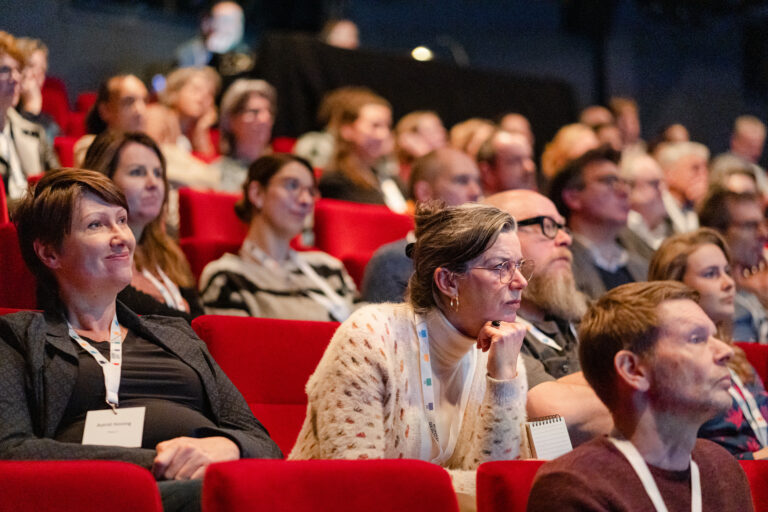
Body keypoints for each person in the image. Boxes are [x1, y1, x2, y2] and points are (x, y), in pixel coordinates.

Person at [2, 168, 281, 512]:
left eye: (122, 220)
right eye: (96, 225)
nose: (122, 236)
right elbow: (12, 450)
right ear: (49, 254)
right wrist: (158, 461)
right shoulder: (18, 338)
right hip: (118, 496)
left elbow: (263, 443)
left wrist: (227, 447)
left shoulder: (177, 336)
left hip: (215, 479)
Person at [290, 202, 530, 506]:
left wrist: (503, 383)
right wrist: (455, 486)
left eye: (520, 266)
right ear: (448, 282)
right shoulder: (370, 339)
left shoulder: (504, 353)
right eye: (501, 267)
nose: (520, 282)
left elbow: (497, 493)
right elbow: (356, 489)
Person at [527, 281, 753, 512]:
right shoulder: (572, 488)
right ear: (633, 369)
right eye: (696, 339)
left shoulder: (722, 467)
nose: (726, 352)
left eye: (714, 336)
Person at [484, 189, 612, 445]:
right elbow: (555, 421)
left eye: (563, 228)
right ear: (495, 242)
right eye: (548, 226)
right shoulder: (487, 328)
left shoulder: (586, 311)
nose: (565, 239)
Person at [649, 228, 768, 459]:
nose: (728, 283)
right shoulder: (677, 366)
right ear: (677, 286)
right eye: (711, 274)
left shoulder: (736, 354)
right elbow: (692, 460)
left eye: (726, 271)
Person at [199, 154, 358, 321]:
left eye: (311, 192)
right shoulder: (228, 277)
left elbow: (370, 330)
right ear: (257, 194)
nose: (306, 200)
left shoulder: (329, 269)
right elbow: (240, 346)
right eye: (292, 185)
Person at [83, 131, 204, 321]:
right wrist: (183, 319)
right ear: (104, 180)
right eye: (137, 172)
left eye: (158, 173)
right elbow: (122, 304)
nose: (153, 183)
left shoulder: (169, 254)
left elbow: (200, 323)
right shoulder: (92, 251)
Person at [361, 147, 482, 303]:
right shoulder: (391, 262)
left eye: (478, 182)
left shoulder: (484, 257)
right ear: (425, 193)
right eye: (461, 181)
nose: (476, 191)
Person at [548, 145, 648, 299]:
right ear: (573, 197)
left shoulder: (644, 263)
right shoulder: (558, 264)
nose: (624, 191)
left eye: (625, 183)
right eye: (609, 181)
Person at [699, 187, 768, 343]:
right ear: (717, 232)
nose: (764, 234)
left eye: (763, 224)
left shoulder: (756, 285)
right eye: (750, 226)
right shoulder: (710, 299)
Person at [318, 88, 405, 211]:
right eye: (375, 126)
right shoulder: (335, 182)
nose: (384, 134)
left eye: (388, 126)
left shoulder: (386, 177)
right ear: (347, 129)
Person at [0, 31, 58, 200]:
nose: (16, 78)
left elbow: (60, 184)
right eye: (5, 70)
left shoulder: (35, 132)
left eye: (18, 70)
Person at [213, 79, 277, 192]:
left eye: (269, 112)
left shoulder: (281, 173)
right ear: (230, 119)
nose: (265, 119)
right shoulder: (215, 173)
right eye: (254, 112)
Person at [74, 74, 148, 167]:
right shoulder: (89, 146)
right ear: (105, 110)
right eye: (128, 102)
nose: (140, 110)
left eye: (145, 101)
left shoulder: (149, 148)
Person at [158, 66, 221, 160]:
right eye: (196, 89)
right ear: (175, 92)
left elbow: (210, 166)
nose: (203, 98)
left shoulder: (194, 132)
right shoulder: (158, 115)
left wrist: (201, 129)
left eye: (209, 94)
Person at [621, 151, 675, 256]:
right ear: (628, 190)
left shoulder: (670, 229)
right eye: (654, 183)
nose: (663, 189)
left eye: (663, 183)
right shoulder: (620, 237)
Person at [654, 141, 710, 233]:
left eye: (705, 169)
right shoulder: (656, 209)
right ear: (669, 174)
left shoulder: (693, 207)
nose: (703, 175)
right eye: (695, 168)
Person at [711, 115, 768, 201]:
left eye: (758, 147)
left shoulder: (757, 170)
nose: (755, 152)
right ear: (734, 141)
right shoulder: (722, 166)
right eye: (750, 146)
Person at [393, 110, 447, 184]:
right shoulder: (403, 170)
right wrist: (424, 154)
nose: (442, 131)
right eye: (432, 129)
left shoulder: (450, 160)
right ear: (411, 137)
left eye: (440, 126)